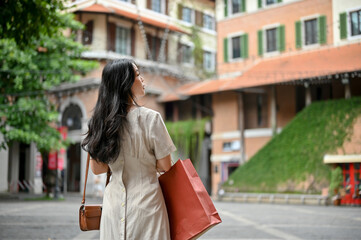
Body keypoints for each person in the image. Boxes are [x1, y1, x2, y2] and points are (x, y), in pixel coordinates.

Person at [81, 59, 176, 240]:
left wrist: (118, 157)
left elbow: (97, 169)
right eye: (138, 75)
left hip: (113, 207)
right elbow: (166, 166)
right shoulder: (151, 119)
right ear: (126, 83)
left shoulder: (99, 123)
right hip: (147, 206)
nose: (142, 79)